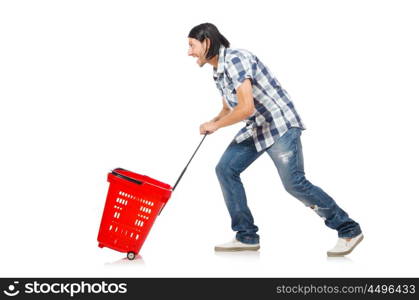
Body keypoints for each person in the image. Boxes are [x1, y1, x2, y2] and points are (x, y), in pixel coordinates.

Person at [187, 23, 363, 256]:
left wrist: (217, 125)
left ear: (207, 42)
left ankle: (348, 229)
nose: (189, 52)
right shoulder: (218, 71)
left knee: (294, 183)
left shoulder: (235, 60)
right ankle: (246, 236)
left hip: (279, 125)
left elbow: (246, 108)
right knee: (225, 169)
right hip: (258, 128)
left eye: (192, 45)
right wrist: (214, 121)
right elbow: (228, 107)